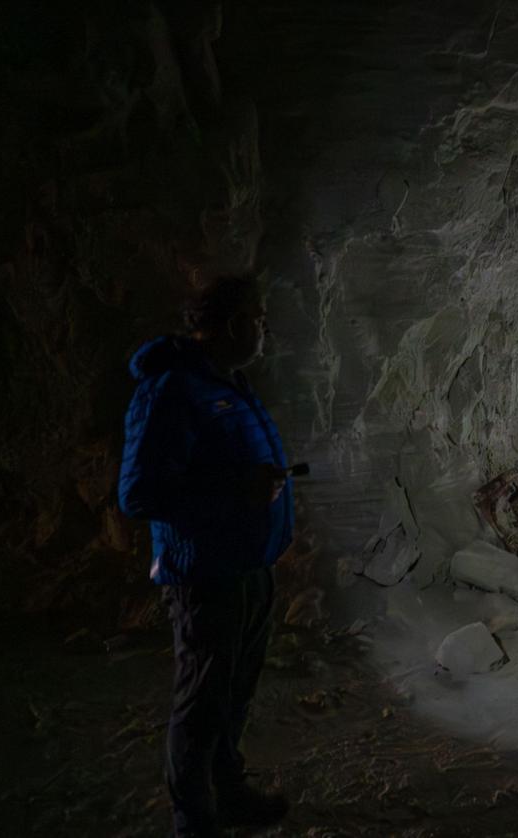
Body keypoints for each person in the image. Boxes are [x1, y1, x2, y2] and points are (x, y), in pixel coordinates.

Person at [118, 275, 293, 837]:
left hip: (247, 568)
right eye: (259, 317)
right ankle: (193, 823)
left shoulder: (227, 383)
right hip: (206, 576)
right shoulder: (171, 389)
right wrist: (238, 492)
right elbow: (139, 493)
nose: (265, 328)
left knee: (233, 694)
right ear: (234, 324)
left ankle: (229, 793)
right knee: (201, 705)